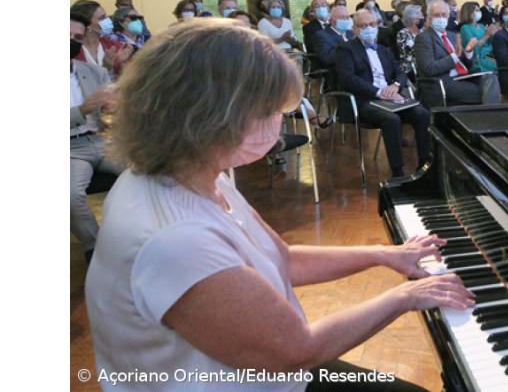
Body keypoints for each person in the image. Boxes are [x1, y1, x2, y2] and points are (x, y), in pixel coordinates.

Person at [86, 20, 468, 390]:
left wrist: (384, 255)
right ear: (214, 117)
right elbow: (296, 351)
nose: (281, 121)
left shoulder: (192, 172)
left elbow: (280, 258)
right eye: (270, 111)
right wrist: (405, 296)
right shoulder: (175, 237)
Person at [335, 10, 433, 179]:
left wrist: (395, 86)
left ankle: (425, 165)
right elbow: (348, 79)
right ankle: (398, 172)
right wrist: (379, 92)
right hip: (365, 100)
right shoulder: (345, 49)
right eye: (363, 25)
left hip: (390, 97)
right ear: (355, 29)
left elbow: (400, 73)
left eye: (372, 24)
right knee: (391, 119)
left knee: (422, 114)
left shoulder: (383, 50)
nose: (369, 28)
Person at [70, 13, 122, 263]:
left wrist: (113, 109)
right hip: (69, 149)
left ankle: (134, 236)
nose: (71, 41)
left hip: (101, 140)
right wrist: (81, 110)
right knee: (70, 195)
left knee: (148, 171)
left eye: (76, 37)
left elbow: (108, 113)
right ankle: (95, 247)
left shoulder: (94, 72)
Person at [414, 0, 500, 108]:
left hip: (463, 77)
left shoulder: (452, 35)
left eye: (444, 14)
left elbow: (467, 64)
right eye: (436, 15)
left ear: (448, 16)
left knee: (491, 78)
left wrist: (468, 53)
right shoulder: (423, 38)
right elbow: (430, 68)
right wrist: (455, 57)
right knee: (486, 92)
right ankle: (490, 120)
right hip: (442, 81)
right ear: (429, 17)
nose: (441, 18)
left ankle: (488, 119)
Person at [71, 0, 132, 72]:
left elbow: (129, 77)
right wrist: (107, 66)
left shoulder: (114, 45)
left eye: (106, 16)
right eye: (102, 18)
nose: (108, 20)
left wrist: (120, 63)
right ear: (87, 24)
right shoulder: (73, 49)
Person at [458, 2, 499, 74]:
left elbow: (490, 43)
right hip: (478, 60)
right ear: (469, 12)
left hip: (490, 56)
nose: (479, 12)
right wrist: (486, 35)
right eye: (476, 10)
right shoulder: (465, 28)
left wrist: (494, 34)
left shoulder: (481, 26)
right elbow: (473, 49)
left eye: (479, 10)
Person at [394, 4, 424, 78]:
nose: (423, 19)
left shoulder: (422, 31)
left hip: (424, 65)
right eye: (420, 17)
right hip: (410, 68)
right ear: (412, 18)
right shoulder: (403, 33)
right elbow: (407, 54)